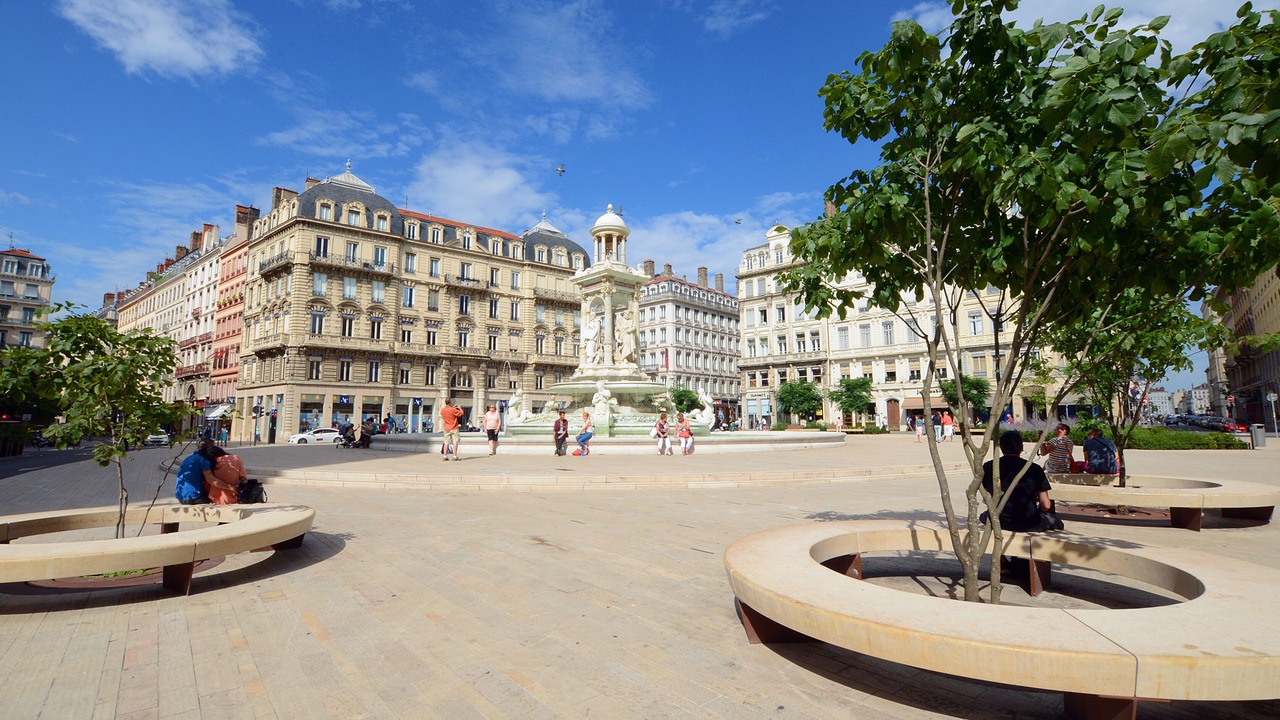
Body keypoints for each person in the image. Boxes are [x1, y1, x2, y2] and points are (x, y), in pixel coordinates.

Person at [982, 430, 1064, 532]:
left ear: (1001, 447)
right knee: (1056, 521)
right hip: (1029, 521)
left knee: (984, 516)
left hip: (999, 520)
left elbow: (986, 495)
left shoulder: (989, 466)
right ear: (1021, 448)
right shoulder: (1034, 469)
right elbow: (1046, 505)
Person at [174, 440, 218, 505]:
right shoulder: (204, 460)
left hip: (180, 497)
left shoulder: (189, 458)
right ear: (209, 448)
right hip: (193, 497)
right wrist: (230, 487)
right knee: (218, 498)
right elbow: (211, 480)